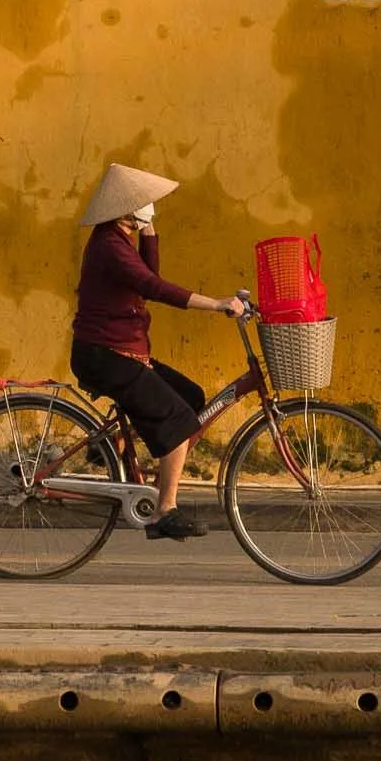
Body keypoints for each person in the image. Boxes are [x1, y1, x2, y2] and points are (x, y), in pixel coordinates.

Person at [70, 163, 249, 542]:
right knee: (179, 420)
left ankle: (116, 445)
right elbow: (154, 287)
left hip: (124, 352)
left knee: (192, 397)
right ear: (124, 208)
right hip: (106, 355)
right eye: (143, 203)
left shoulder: (119, 240)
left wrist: (149, 229)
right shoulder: (109, 246)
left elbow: (148, 275)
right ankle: (165, 511)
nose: (149, 207)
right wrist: (216, 304)